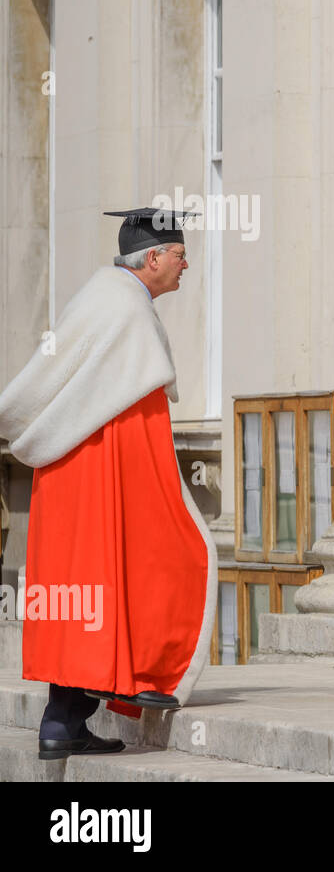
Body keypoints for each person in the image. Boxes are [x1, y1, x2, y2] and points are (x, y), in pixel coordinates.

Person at [0, 207, 216, 759]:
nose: (185, 263)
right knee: (158, 558)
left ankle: (61, 723)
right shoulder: (126, 309)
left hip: (66, 473)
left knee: (80, 591)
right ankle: (113, 687)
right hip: (102, 470)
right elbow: (134, 416)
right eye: (178, 254)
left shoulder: (99, 299)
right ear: (151, 259)